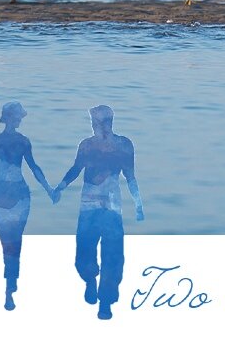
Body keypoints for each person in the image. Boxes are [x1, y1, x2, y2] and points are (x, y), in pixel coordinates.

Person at [52, 105, 144, 320]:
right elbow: (76, 169)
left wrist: (138, 203)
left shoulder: (119, 145)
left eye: (94, 122)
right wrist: (61, 187)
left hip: (104, 208)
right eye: (92, 123)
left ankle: (104, 301)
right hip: (98, 206)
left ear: (105, 123)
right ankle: (93, 283)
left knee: (106, 254)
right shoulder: (93, 146)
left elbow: (129, 176)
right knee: (94, 252)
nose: (93, 126)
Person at [0, 101, 57, 311]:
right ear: (11, 118)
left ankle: (10, 284)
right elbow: (33, 167)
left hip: (7, 194)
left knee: (9, 240)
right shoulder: (16, 141)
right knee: (11, 241)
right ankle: (10, 283)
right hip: (14, 194)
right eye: (18, 116)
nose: (21, 119)